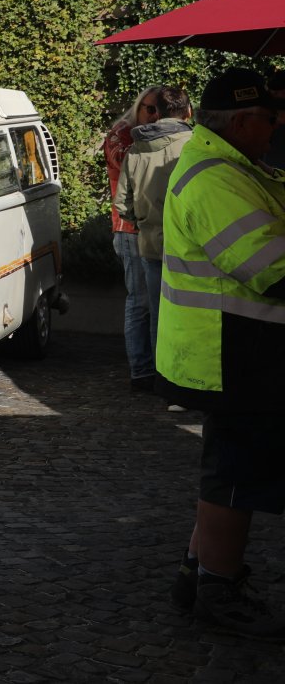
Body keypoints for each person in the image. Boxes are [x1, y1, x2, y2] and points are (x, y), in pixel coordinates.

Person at [157, 68, 285, 638]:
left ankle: (198, 574)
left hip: (236, 347)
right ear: (240, 122)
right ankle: (218, 588)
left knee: (231, 471)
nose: (276, 128)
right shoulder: (216, 176)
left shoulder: (234, 166)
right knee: (234, 476)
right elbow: (270, 269)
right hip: (229, 352)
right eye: (269, 119)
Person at [115, 85, 193, 380]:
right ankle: (186, 379)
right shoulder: (196, 145)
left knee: (158, 315)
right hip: (191, 246)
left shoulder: (136, 149)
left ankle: (161, 377)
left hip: (151, 244)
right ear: (188, 112)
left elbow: (122, 204)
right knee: (190, 315)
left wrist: (145, 222)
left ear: (156, 112)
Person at [105, 87, 159, 390]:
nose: (155, 115)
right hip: (130, 229)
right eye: (149, 108)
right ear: (138, 107)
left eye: (159, 109)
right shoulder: (122, 134)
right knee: (140, 302)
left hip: (151, 228)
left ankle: (151, 367)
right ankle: (141, 370)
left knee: (152, 302)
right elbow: (129, 166)